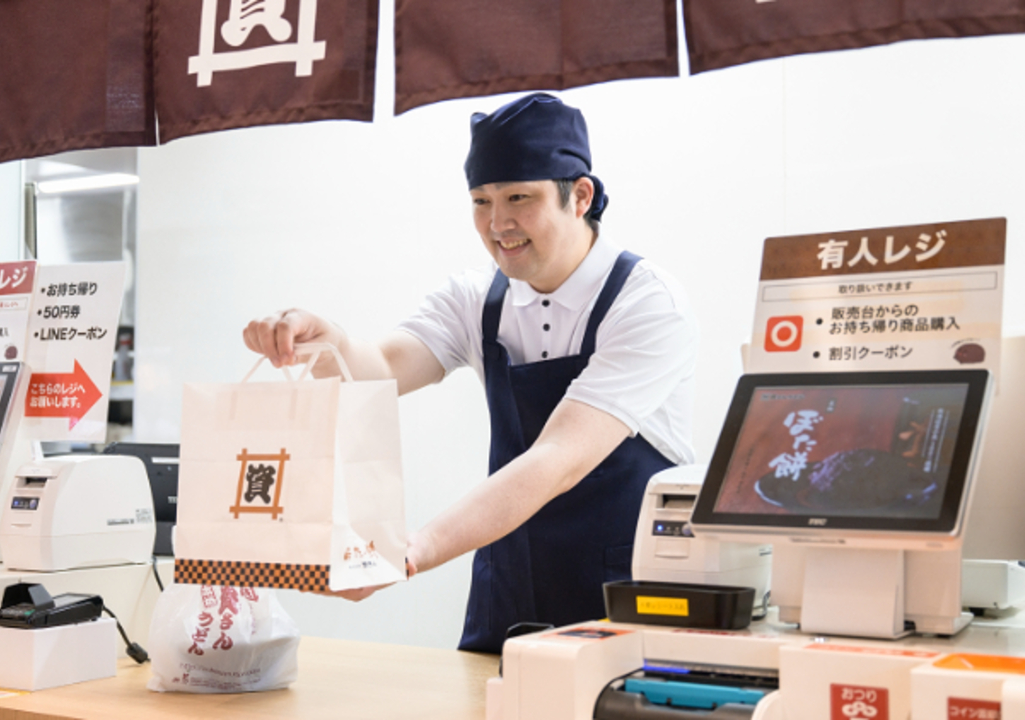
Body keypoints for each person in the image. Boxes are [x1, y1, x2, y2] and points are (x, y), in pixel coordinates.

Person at [243, 92, 699, 653]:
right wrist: (325, 340)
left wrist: (416, 549)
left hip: (622, 591)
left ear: (579, 196)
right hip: (508, 580)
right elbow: (379, 369)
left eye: (519, 198)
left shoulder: (646, 303)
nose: (498, 223)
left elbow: (559, 457)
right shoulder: (477, 296)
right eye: (481, 201)